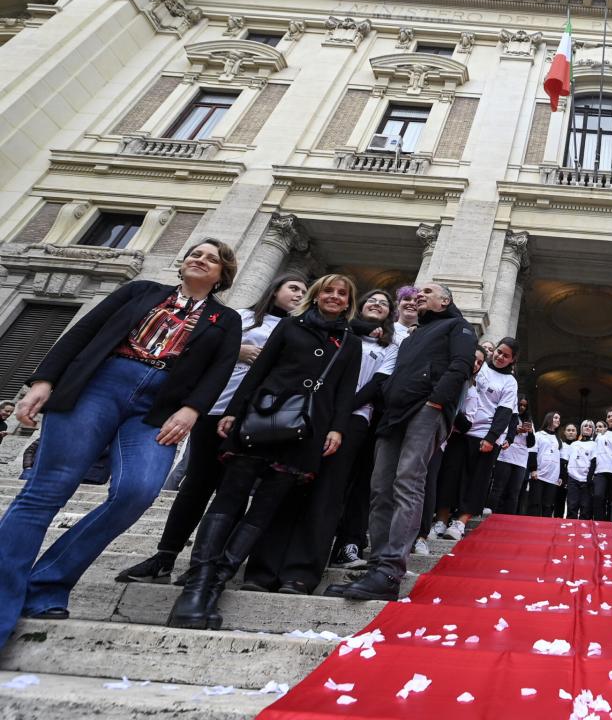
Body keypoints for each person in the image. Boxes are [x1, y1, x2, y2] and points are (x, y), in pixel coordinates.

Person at [0, 239, 241, 647]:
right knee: (46, 491)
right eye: (196, 254)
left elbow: (219, 370)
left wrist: (193, 410)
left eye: (212, 259)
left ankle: (48, 580)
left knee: (137, 492)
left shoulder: (226, 319)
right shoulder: (139, 291)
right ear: (183, 263)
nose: (201, 260)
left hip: (159, 407)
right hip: (99, 385)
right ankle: (12, 598)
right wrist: (43, 382)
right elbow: (83, 333)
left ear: (222, 275)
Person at [166, 274, 362, 628]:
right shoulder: (288, 327)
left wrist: (336, 428)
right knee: (228, 499)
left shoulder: (350, 342)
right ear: (316, 296)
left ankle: (216, 583)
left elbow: (345, 391)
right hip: (260, 419)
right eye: (328, 290)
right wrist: (233, 412)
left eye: (342, 293)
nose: (334, 296)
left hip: (306, 431)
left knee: (264, 509)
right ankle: (196, 585)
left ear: (348, 303)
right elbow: (259, 370)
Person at [116, 273, 308, 585]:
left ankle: (206, 565)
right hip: (214, 407)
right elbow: (204, 349)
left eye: (303, 291)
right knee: (195, 485)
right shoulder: (240, 317)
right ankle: (165, 555)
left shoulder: (297, 329)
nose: (299, 294)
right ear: (275, 290)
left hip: (253, 418)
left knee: (232, 491)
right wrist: (240, 351)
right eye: (294, 288)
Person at [240, 288, 399, 594]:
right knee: (284, 487)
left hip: (350, 422)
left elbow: (377, 384)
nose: (377, 304)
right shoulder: (333, 332)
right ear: (359, 306)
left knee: (326, 495)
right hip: (308, 417)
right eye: (372, 300)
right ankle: (261, 571)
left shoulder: (389, 346)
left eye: (384, 303)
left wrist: (338, 414)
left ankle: (301, 573)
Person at [337, 282, 476, 601]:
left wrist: (437, 403)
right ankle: (375, 567)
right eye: (416, 294)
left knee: (408, 483)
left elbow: (462, 366)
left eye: (427, 292)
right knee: (380, 487)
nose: (419, 296)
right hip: (394, 413)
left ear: (445, 301)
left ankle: (390, 570)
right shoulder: (413, 335)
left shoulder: (459, 326)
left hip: (426, 409)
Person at [330, 285, 421, 566]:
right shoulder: (377, 330)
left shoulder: (418, 336)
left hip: (382, 417)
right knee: (334, 480)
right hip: (349, 412)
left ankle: (351, 543)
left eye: (417, 302)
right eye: (405, 300)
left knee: (366, 484)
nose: (411, 305)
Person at [443, 337, 518, 539]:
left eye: (506, 356)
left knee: (478, 481)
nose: (500, 357)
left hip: (486, 435)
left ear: (512, 360)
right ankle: (440, 521)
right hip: (461, 430)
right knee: (450, 476)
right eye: (499, 351)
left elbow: (505, 412)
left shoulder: (510, 382)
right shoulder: (479, 365)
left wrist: (492, 438)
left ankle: (460, 523)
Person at [427, 345, 487, 544]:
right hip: (424, 431)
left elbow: (467, 423)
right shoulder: (447, 374)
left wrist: (448, 405)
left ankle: (424, 530)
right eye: (474, 359)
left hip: (443, 441)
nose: (476, 365)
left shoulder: (472, 391)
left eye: (480, 363)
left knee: (433, 482)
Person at [488, 395, 535, 516]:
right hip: (505, 454)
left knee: (514, 491)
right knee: (498, 488)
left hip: (521, 459)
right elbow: (500, 433)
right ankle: (490, 515)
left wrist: (529, 432)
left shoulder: (529, 421)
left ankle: (509, 518)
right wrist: (515, 431)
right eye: (520, 404)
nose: (522, 407)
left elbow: (531, 444)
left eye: (525, 405)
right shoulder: (509, 415)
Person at [528, 412, 563, 517]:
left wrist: (560, 476)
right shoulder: (538, 435)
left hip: (552, 477)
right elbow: (532, 453)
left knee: (548, 506)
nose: (558, 420)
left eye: (559, 418)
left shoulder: (559, 440)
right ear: (549, 419)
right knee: (535, 504)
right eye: (556, 417)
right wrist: (533, 469)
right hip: (538, 474)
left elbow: (560, 459)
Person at [592, 408, 612, 521]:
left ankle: (609, 523)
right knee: (598, 496)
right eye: (609, 416)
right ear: (606, 419)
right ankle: (598, 521)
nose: (611, 418)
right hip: (600, 471)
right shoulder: (599, 435)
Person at [565, 419, 596, 519]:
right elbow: (567, 460)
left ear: (593, 431)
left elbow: (594, 462)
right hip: (572, 478)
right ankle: (569, 531)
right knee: (572, 506)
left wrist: (589, 478)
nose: (587, 427)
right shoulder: (573, 444)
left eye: (590, 426)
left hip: (586, 480)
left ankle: (583, 533)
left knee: (585, 508)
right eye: (585, 426)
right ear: (581, 429)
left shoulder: (594, 444)